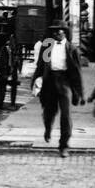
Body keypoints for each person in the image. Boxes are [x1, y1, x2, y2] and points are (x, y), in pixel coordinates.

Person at [31, 20, 84, 158]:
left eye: (59, 31)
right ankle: (48, 129)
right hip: (49, 81)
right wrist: (35, 83)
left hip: (65, 82)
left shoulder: (72, 49)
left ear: (65, 32)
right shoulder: (47, 46)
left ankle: (64, 145)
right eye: (54, 31)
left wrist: (79, 93)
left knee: (66, 115)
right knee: (48, 112)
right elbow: (41, 66)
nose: (56, 33)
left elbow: (77, 72)